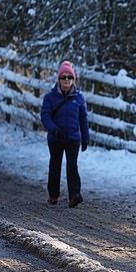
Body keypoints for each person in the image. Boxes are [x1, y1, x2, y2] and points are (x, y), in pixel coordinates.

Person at [40, 61, 89, 208]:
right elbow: (45, 116)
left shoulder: (79, 98)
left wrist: (85, 137)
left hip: (73, 138)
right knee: (55, 165)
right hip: (56, 138)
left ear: (73, 80)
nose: (66, 80)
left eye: (69, 77)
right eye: (63, 77)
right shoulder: (50, 97)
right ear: (59, 79)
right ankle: (53, 194)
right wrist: (54, 129)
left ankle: (74, 195)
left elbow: (83, 118)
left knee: (72, 166)